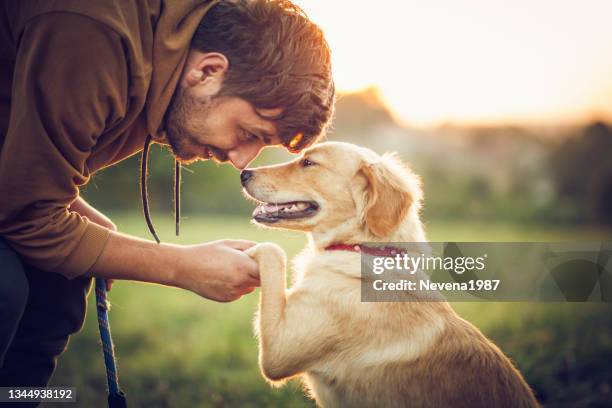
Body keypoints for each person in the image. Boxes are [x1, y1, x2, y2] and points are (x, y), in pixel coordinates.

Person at [0, 0, 334, 388]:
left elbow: (26, 166)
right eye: (249, 133)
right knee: (6, 286)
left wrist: (84, 221)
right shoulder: (94, 34)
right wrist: (181, 267)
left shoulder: (170, 75)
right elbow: (24, 213)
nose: (242, 161)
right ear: (208, 71)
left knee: (58, 286)